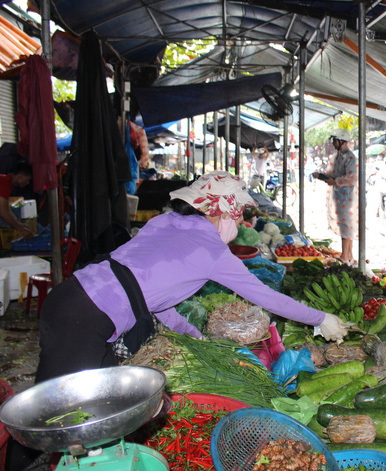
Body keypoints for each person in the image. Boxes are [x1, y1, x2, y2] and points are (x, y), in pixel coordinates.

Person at [35, 171, 350, 383]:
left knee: (91, 393)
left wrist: (198, 341)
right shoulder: (210, 250)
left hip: (71, 298)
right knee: (68, 413)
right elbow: (265, 297)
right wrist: (319, 318)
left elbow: (152, 299)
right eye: (238, 214)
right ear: (219, 210)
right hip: (85, 318)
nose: (240, 223)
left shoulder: (164, 223)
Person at [314, 129, 358, 265]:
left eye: (334, 141)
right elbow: (333, 173)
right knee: (346, 226)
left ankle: (345, 257)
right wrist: (322, 176)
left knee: (347, 226)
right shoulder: (338, 157)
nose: (333, 144)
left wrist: (336, 181)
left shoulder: (350, 157)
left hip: (348, 197)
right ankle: (349, 255)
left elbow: (352, 177)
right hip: (339, 197)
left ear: (341, 141)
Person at [0, 162, 34, 241]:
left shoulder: (7, 182)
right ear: (21, 176)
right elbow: (3, 211)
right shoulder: (4, 183)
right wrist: (21, 228)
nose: (27, 183)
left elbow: (6, 209)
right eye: (28, 179)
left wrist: (20, 225)